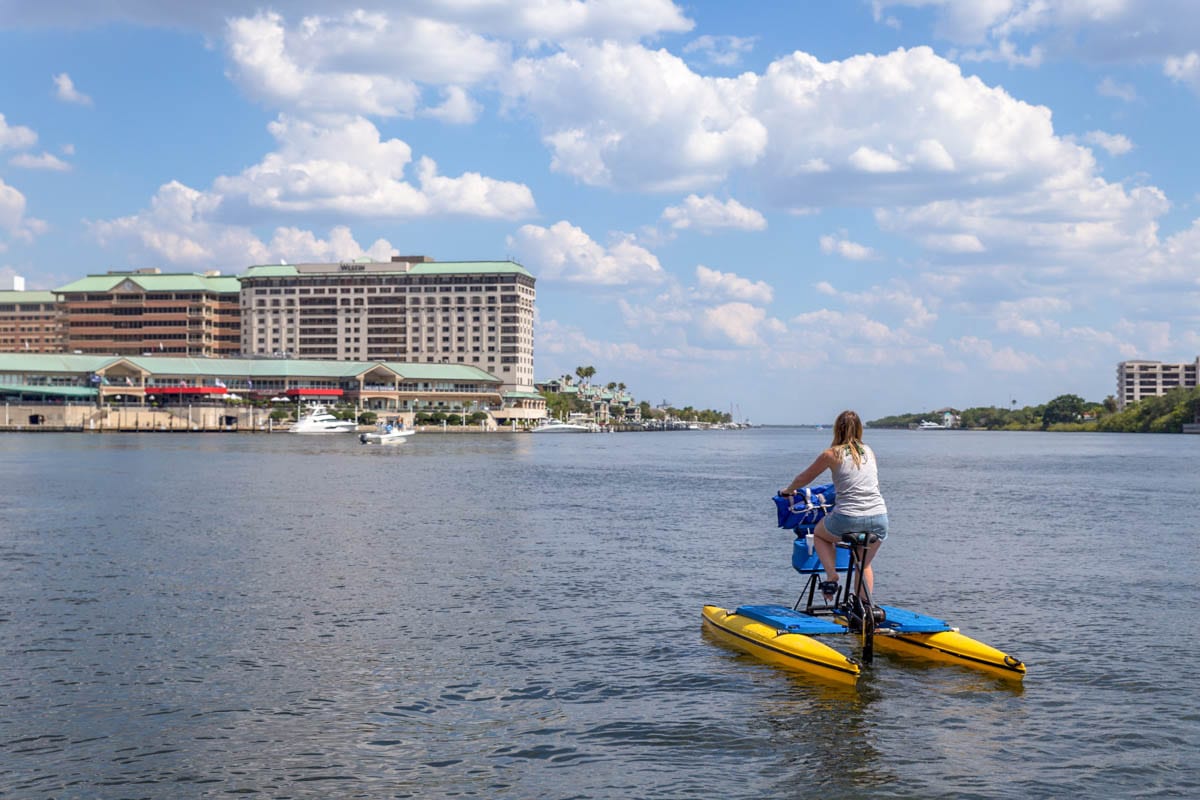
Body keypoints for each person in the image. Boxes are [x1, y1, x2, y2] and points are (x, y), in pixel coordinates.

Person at [779, 410, 888, 604]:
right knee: (864, 564)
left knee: (820, 535)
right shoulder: (868, 451)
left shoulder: (832, 454)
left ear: (837, 429)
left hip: (847, 517)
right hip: (879, 518)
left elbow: (804, 478)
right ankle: (864, 610)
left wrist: (788, 490)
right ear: (860, 430)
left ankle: (831, 577)